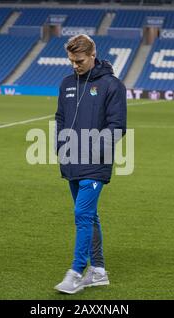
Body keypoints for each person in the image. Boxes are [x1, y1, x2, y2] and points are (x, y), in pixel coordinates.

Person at [54, 34, 127, 294]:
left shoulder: (112, 85)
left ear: (92, 56)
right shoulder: (66, 84)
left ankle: (75, 272)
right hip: (71, 161)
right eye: (72, 61)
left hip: (95, 163)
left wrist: (94, 152)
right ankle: (98, 271)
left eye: (80, 60)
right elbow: (60, 118)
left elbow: (117, 126)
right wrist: (61, 147)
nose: (75, 65)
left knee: (82, 215)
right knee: (90, 216)